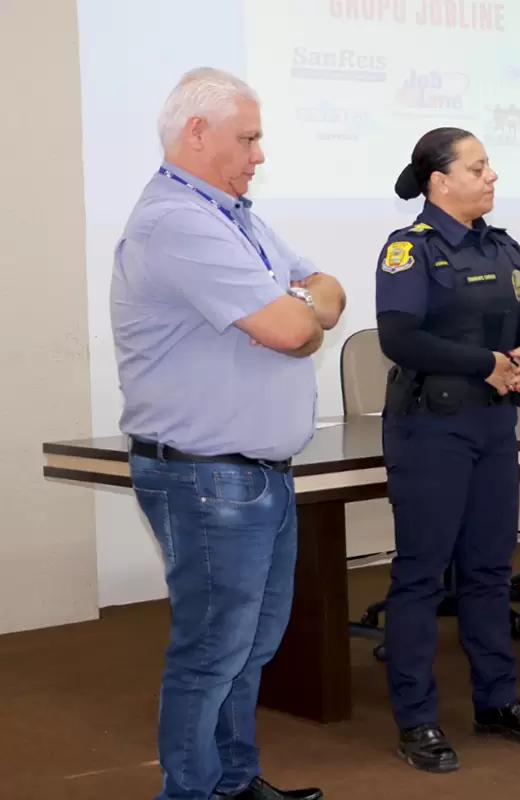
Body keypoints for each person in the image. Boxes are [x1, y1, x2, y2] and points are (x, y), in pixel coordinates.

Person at [112, 68, 345, 800]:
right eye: (248, 138)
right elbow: (292, 326)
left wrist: (299, 306)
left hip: (256, 474)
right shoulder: (176, 222)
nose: (260, 154)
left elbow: (326, 288)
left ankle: (234, 783)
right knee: (212, 652)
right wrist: (297, 310)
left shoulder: (235, 215)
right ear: (197, 133)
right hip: (207, 477)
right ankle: (190, 792)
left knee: (250, 649)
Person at [376, 127, 520, 773]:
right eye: (478, 167)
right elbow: (399, 339)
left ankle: (497, 701)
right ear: (440, 181)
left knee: (488, 570)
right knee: (422, 575)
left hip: (491, 427)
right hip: (430, 429)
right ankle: (418, 719)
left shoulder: (502, 245)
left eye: (490, 167)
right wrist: (485, 362)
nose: (492, 177)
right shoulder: (410, 249)